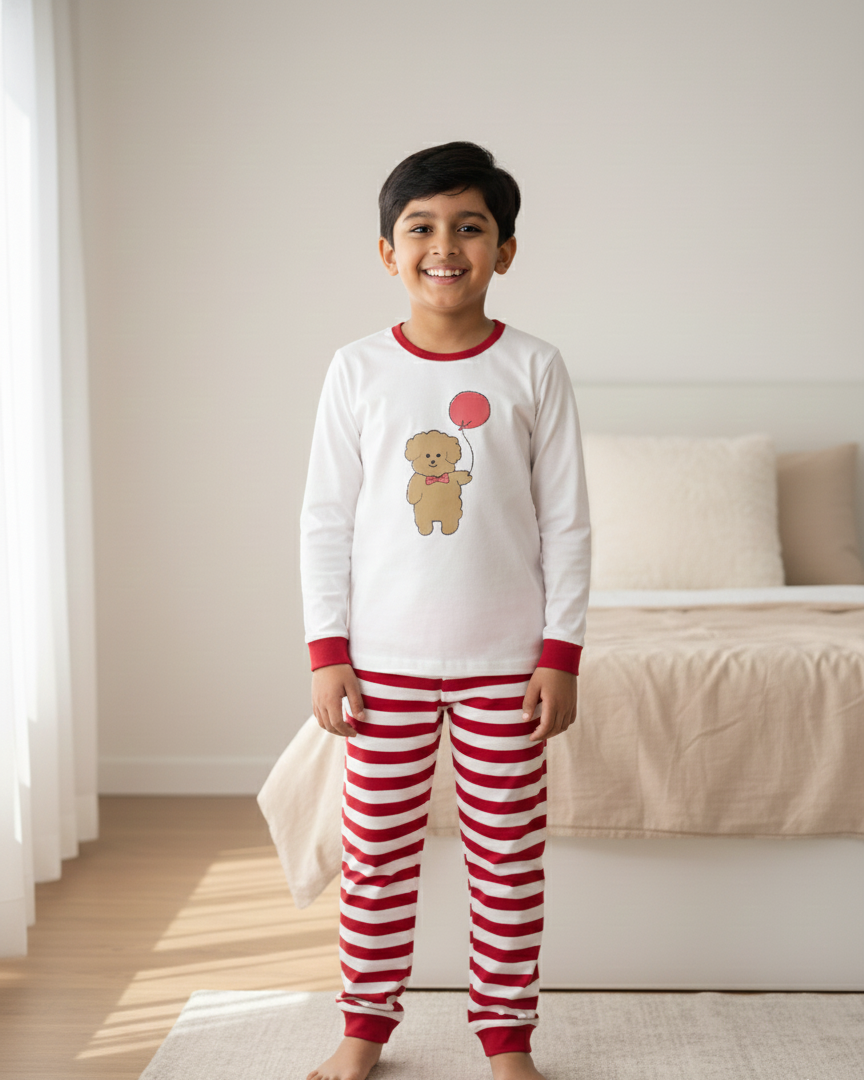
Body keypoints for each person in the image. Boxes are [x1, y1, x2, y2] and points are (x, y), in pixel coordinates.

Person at [300, 142, 591, 1080]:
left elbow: (568, 524)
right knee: (375, 857)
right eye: (420, 227)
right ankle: (363, 1032)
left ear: (505, 249)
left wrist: (560, 653)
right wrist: (327, 651)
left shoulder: (535, 368)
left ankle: (507, 1042)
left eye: (470, 227)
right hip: (382, 663)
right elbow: (325, 520)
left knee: (507, 865)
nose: (444, 245)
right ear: (387, 252)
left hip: (506, 664)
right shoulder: (355, 369)